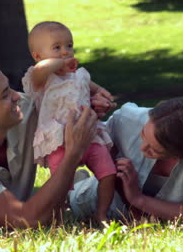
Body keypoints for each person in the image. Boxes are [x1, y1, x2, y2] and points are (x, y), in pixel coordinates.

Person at [0, 54, 115, 231]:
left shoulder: (27, 109)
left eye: (10, 88)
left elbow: (69, 109)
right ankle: (78, 187)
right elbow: (27, 220)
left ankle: (79, 186)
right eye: (4, 95)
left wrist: (90, 106)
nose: (17, 96)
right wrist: (73, 154)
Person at [70, 97, 183, 222]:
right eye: (143, 135)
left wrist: (138, 199)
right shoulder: (128, 119)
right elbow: (92, 149)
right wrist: (90, 112)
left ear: (180, 155)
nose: (142, 148)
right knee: (78, 201)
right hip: (111, 201)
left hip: (166, 213)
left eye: (154, 150)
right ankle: (80, 182)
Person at [22, 21, 116, 222]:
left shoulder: (79, 76)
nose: (65, 52)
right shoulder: (40, 80)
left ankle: (101, 213)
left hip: (89, 136)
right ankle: (58, 217)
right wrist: (59, 64)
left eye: (69, 46)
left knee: (108, 173)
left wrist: (102, 95)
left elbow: (94, 89)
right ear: (38, 56)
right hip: (59, 142)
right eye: (57, 48)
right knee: (60, 184)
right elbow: (40, 69)